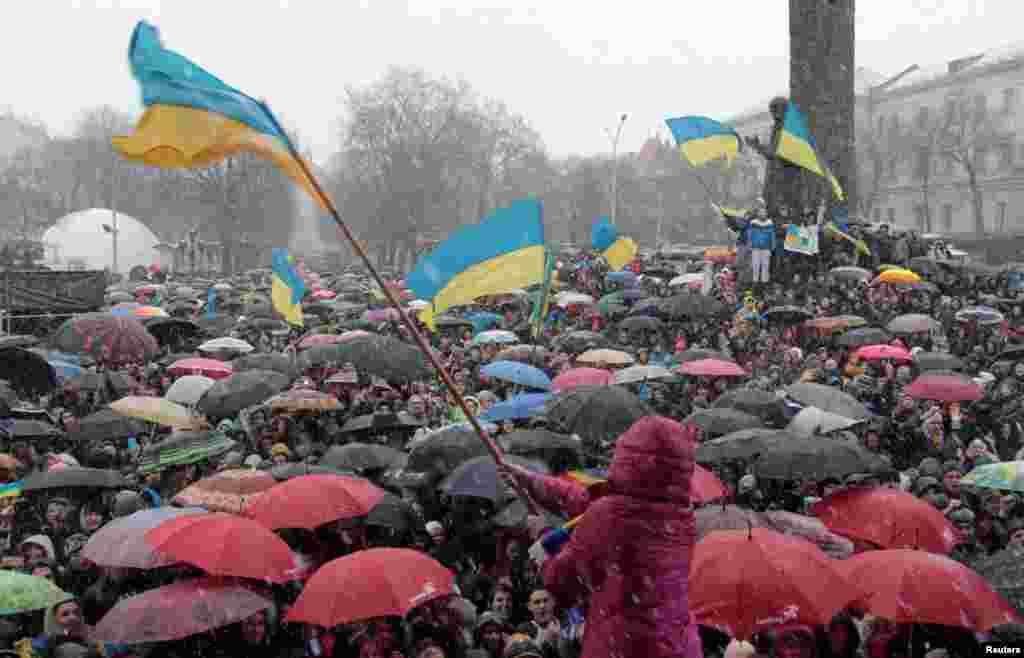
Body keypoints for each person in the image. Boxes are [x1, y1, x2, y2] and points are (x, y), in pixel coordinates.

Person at [504, 417, 702, 658]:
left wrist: (543, 536)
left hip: (621, 646)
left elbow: (562, 581)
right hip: (678, 645)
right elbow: (588, 500)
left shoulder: (610, 515)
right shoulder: (683, 517)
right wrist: (531, 480)